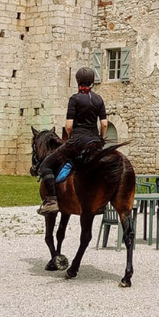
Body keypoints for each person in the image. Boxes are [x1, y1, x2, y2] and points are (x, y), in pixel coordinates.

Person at [36, 67, 111, 215]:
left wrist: (70, 138)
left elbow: (68, 126)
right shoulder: (99, 99)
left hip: (77, 141)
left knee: (45, 165)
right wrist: (101, 138)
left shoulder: (74, 99)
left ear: (78, 82)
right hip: (94, 142)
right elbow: (104, 124)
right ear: (92, 82)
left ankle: (51, 200)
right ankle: (102, 201)